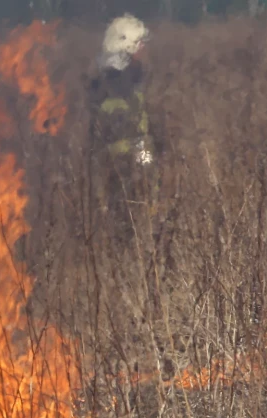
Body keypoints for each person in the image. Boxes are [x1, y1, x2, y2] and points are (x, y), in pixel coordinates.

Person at [87, 13, 160, 245]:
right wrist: (144, 152)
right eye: (140, 45)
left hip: (127, 153)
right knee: (132, 203)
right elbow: (125, 125)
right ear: (128, 45)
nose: (145, 50)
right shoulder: (118, 80)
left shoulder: (121, 77)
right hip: (127, 154)